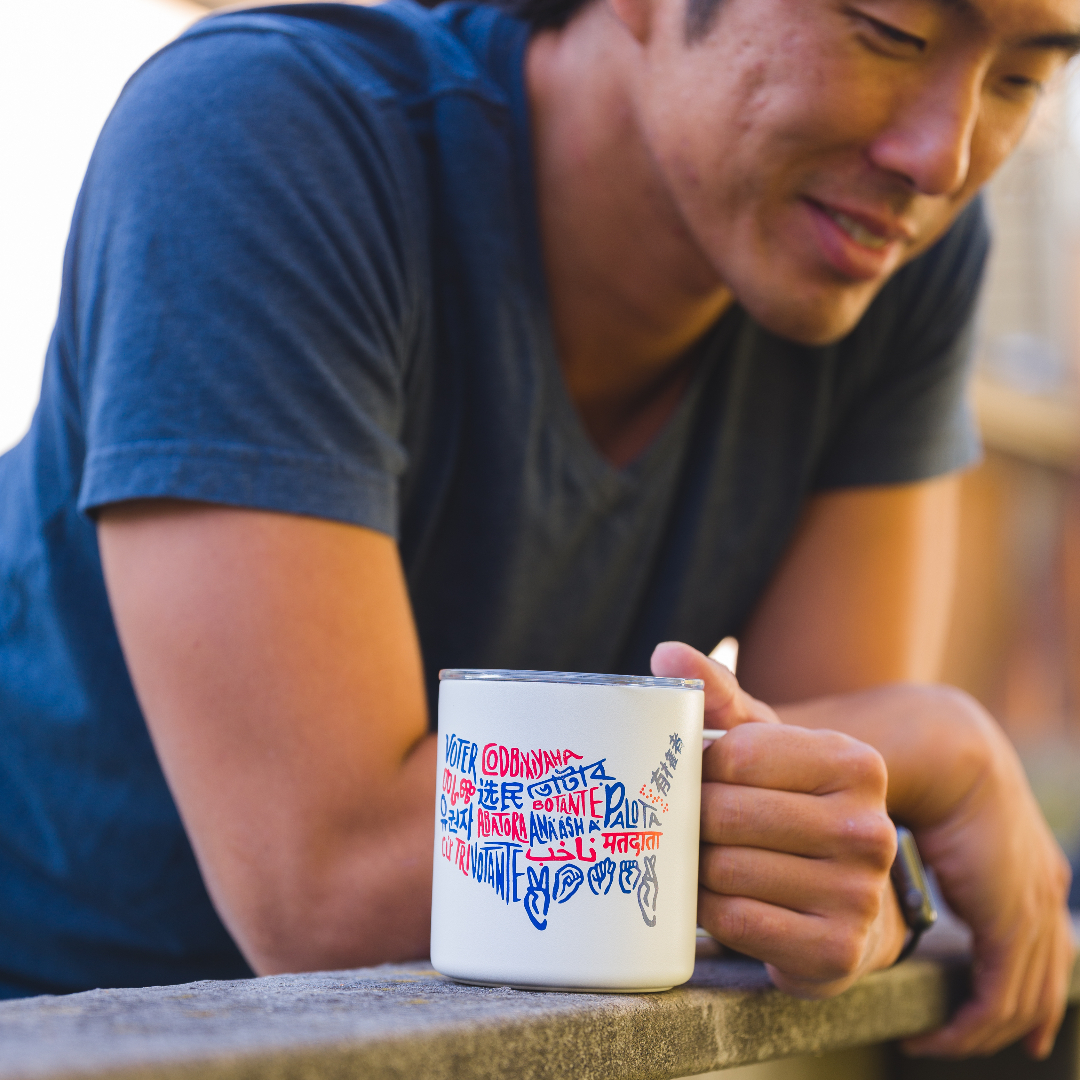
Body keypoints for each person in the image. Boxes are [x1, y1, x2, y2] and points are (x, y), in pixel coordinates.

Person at [0, 0, 1074, 1060]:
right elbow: (326, 889)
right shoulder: (261, 137)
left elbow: (810, 810)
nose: (945, 155)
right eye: (890, 34)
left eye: (1023, 76)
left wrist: (849, 880)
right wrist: (933, 743)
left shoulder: (885, 249)